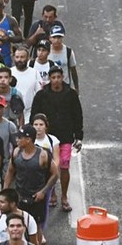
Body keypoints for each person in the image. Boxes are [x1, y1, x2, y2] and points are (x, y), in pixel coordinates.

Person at [29, 64, 82, 213]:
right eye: (53, 77)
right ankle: (51, 192)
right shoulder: (41, 95)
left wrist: (78, 136)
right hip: (48, 137)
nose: (56, 80)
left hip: (65, 136)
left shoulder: (71, 94)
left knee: (64, 165)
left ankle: (64, 196)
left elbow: (78, 115)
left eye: (59, 77)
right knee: (48, 166)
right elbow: (35, 114)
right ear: (49, 79)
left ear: (62, 77)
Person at [3, 128, 53, 228]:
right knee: (18, 225)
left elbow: (55, 174)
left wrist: (43, 191)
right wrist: (5, 193)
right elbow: (10, 171)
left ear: (28, 139)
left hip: (36, 198)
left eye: (20, 138)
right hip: (20, 197)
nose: (17, 140)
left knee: (36, 227)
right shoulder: (16, 152)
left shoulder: (42, 155)